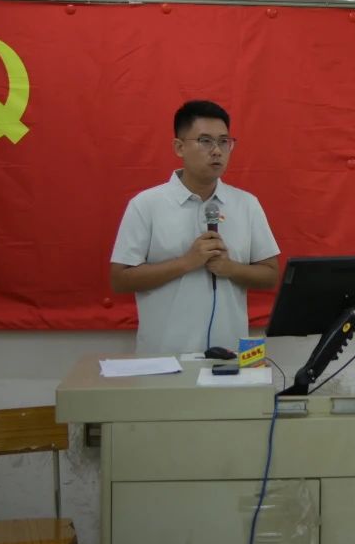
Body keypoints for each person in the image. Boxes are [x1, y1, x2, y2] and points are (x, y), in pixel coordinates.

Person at [111, 99, 280, 355]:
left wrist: (231, 268)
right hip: (165, 357)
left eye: (224, 141)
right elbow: (120, 279)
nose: (217, 151)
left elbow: (270, 275)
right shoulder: (146, 204)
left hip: (229, 356)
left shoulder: (246, 204)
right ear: (179, 147)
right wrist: (186, 263)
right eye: (205, 141)